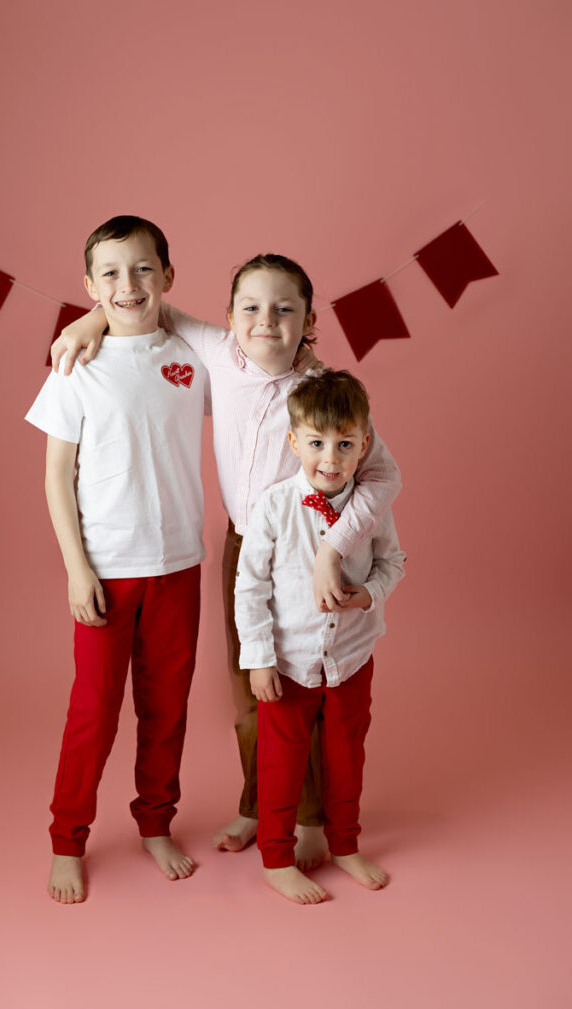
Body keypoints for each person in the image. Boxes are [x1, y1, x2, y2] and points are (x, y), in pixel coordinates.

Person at [52, 253, 401, 868]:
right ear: (229, 318)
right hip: (247, 546)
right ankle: (258, 804)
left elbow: (382, 475)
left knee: (316, 684)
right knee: (253, 691)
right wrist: (88, 323)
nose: (265, 321)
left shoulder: (318, 388)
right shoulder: (215, 352)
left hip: (314, 543)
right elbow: (144, 306)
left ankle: (315, 818)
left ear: (310, 319)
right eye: (251, 308)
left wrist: (333, 547)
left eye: (284, 309)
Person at [25, 215, 208, 904]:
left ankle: (155, 823)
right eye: (109, 274)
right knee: (94, 712)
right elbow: (55, 476)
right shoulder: (74, 366)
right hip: (105, 569)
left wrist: (97, 317)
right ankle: (67, 838)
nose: (127, 285)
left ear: (166, 275)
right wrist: (77, 568)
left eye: (141, 270)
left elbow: (246, 358)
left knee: (167, 709)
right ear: (88, 286)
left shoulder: (193, 358)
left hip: (179, 566)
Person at [235, 370, 405, 904]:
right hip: (288, 662)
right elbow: (250, 586)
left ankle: (345, 844)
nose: (329, 459)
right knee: (280, 764)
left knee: (346, 757)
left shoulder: (372, 506)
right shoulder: (273, 505)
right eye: (315, 443)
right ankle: (276, 858)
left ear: (364, 446)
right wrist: (258, 659)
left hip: (352, 657)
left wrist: (369, 593)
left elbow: (393, 562)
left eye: (344, 445)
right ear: (294, 442)